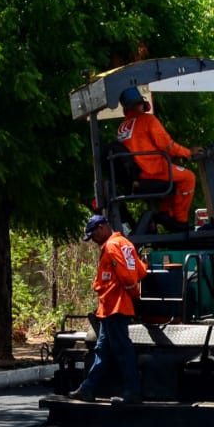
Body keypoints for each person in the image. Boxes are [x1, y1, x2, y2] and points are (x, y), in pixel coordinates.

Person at [69, 215, 148, 404]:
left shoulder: (112, 246)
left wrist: (132, 294)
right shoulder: (125, 243)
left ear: (102, 227)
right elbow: (141, 270)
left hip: (115, 306)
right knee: (103, 350)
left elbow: (128, 277)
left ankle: (132, 391)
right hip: (109, 308)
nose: (93, 239)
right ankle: (87, 388)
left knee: (122, 349)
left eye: (93, 234)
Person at [117, 85, 197, 230]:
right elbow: (167, 146)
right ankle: (181, 222)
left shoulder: (123, 126)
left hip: (136, 174)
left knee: (175, 178)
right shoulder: (147, 120)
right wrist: (188, 153)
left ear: (125, 108)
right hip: (151, 170)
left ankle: (165, 214)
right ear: (141, 103)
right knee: (188, 177)